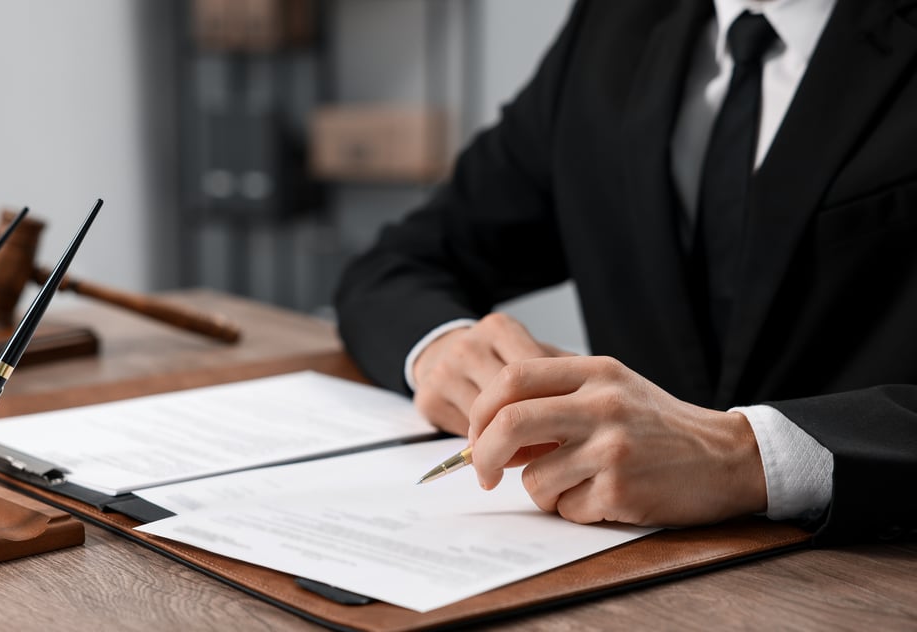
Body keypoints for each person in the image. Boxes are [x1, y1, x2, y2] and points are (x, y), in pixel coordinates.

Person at [334, 0, 917, 544]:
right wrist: (444, 348)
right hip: (619, 559)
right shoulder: (613, 24)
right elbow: (397, 263)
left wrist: (746, 457)